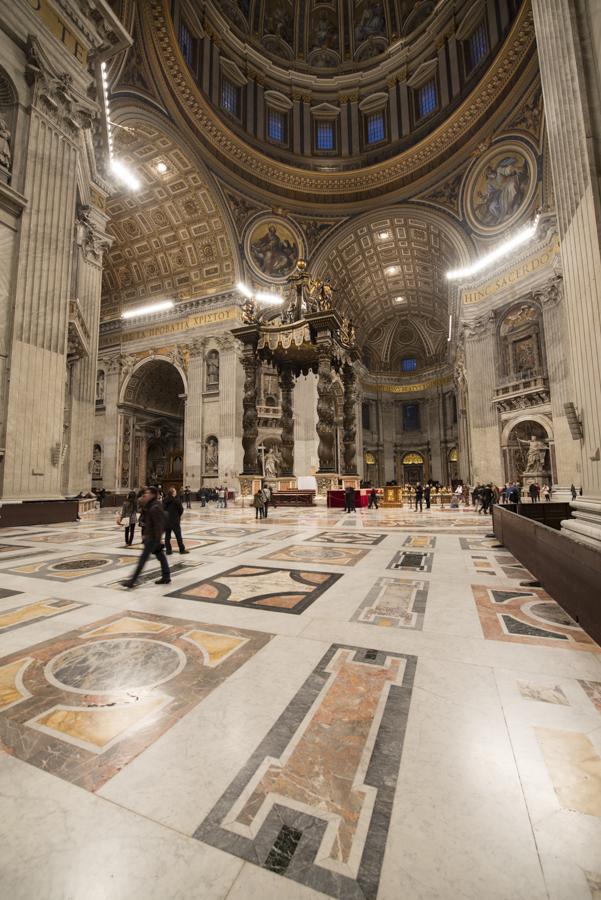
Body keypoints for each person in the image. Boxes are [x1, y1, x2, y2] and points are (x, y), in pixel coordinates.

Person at [121, 486, 171, 588]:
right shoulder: (152, 504)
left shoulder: (155, 507)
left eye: (148, 493)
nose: (146, 494)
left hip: (153, 538)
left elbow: (158, 525)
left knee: (142, 560)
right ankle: (166, 576)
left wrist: (158, 539)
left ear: (153, 494)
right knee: (161, 557)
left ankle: (132, 581)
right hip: (151, 537)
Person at [163, 487, 189, 555]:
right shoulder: (176, 500)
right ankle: (181, 549)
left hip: (167, 521)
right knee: (178, 536)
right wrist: (178, 516)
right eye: (175, 491)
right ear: (173, 493)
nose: (176, 492)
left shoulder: (164, 500)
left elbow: (163, 509)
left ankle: (168, 550)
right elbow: (181, 510)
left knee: (167, 536)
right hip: (175, 520)